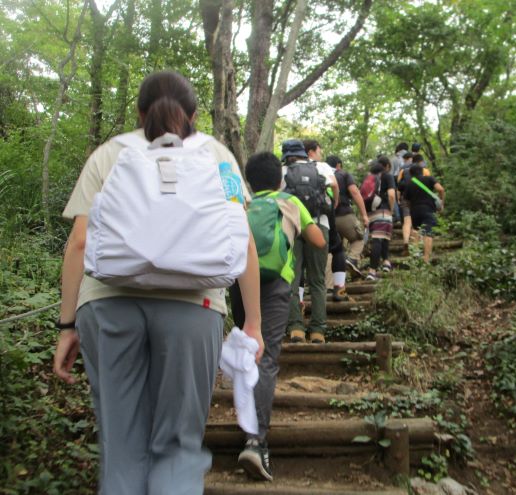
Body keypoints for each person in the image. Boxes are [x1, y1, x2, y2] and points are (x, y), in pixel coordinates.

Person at [52, 70, 264, 495]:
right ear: (194, 114)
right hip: (194, 306)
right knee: (178, 447)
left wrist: (67, 325)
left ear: (139, 112)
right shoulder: (217, 155)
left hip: (107, 305)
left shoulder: (109, 154)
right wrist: (253, 324)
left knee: (122, 446)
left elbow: (79, 242)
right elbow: (242, 239)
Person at [229, 152, 325, 482]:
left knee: (246, 352)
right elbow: (319, 240)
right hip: (275, 284)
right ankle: (256, 442)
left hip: (239, 282)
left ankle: (247, 422)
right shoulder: (290, 202)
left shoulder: (242, 204)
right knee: (266, 356)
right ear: (280, 180)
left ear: (250, 180)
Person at [281, 139, 338, 344]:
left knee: (292, 279)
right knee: (318, 280)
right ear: (305, 153)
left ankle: (296, 328)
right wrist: (331, 207)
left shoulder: (284, 171)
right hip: (319, 225)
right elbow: (335, 187)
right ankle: (318, 331)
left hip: (292, 228)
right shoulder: (321, 167)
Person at [304, 140, 349, 301]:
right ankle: (339, 288)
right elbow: (335, 185)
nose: (320, 154)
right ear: (311, 152)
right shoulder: (320, 166)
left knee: (301, 259)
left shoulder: (292, 167)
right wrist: (336, 201)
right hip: (321, 215)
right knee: (337, 249)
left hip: (299, 217)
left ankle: (300, 299)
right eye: (319, 151)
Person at [326, 155, 369, 276]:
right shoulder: (343, 174)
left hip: (326, 219)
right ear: (338, 165)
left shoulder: (321, 174)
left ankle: (329, 284)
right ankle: (352, 258)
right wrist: (364, 215)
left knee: (332, 250)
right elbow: (355, 193)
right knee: (358, 239)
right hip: (344, 215)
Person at [404, 164, 446, 262]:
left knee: (416, 232)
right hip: (428, 209)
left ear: (411, 174)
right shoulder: (429, 179)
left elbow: (406, 200)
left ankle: (415, 257)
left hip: (414, 211)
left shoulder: (409, 183)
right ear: (422, 171)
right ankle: (426, 259)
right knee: (428, 232)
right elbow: (441, 189)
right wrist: (441, 203)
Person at [365, 156, 396, 280]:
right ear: (387, 166)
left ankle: (386, 262)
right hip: (383, 210)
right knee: (378, 240)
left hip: (371, 211)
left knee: (383, 236)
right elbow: (391, 195)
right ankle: (372, 271)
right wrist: (391, 209)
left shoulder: (369, 178)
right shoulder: (388, 176)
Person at [397, 153, 432, 256]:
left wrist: (399, 198)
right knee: (419, 223)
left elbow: (399, 185)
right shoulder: (425, 171)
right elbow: (429, 185)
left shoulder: (403, 171)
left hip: (406, 198)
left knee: (407, 221)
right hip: (420, 200)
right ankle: (418, 247)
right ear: (421, 162)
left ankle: (406, 242)